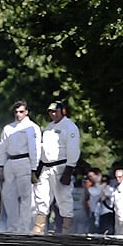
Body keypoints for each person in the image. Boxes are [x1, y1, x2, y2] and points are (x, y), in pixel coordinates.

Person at [32, 100, 81, 234]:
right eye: (51, 112)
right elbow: (44, 149)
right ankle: (39, 226)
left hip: (61, 166)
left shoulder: (69, 127)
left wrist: (69, 169)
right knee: (41, 195)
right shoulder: (48, 127)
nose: (53, 114)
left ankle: (67, 228)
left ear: (62, 111)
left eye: (55, 111)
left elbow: (73, 149)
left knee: (63, 197)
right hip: (46, 167)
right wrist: (38, 169)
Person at [0, 100, 41, 233]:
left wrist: (34, 168)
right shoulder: (8, 128)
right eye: (16, 112)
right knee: (8, 196)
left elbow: (35, 149)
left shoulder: (32, 128)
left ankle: (24, 227)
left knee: (26, 197)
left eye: (21, 111)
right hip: (10, 162)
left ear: (26, 112)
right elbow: (2, 148)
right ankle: (12, 226)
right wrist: (0, 165)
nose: (18, 114)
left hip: (24, 162)